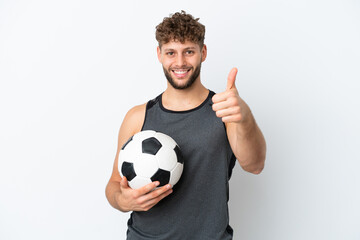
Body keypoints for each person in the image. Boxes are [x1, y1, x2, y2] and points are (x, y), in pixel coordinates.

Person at [105, 10, 266, 240]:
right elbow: (113, 185)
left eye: (188, 51)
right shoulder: (138, 116)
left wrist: (245, 115)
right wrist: (122, 200)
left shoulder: (225, 111)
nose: (180, 62)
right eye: (171, 52)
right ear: (159, 54)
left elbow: (255, 165)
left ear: (203, 52)